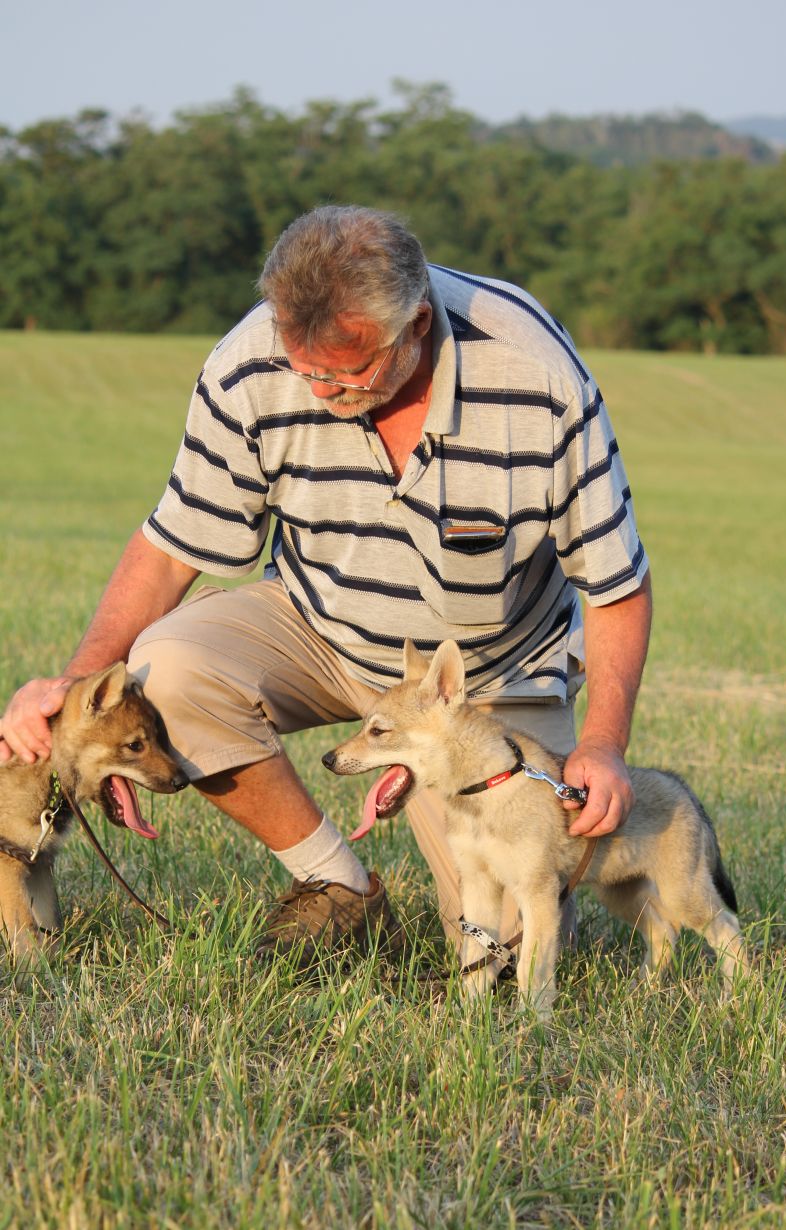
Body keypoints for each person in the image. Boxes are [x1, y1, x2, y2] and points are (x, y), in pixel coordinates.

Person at [0, 205, 652, 960]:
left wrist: (604, 745)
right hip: (317, 626)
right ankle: (339, 887)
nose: (316, 390)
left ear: (414, 325)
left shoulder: (535, 378)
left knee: (505, 948)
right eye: (301, 366)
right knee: (170, 670)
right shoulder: (249, 362)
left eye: (345, 371)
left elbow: (617, 586)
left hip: (477, 680)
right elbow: (171, 549)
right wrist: (77, 686)